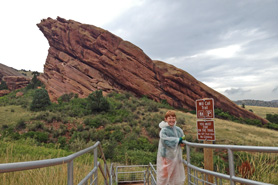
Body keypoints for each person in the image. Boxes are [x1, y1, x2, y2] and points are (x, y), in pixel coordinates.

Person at [157, 110, 186, 185]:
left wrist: (182, 142)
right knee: (165, 175)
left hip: (176, 156)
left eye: (173, 118)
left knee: (175, 175)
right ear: (165, 119)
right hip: (166, 157)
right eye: (169, 118)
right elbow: (165, 141)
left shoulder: (178, 129)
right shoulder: (164, 130)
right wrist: (178, 140)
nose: (172, 120)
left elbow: (182, 138)